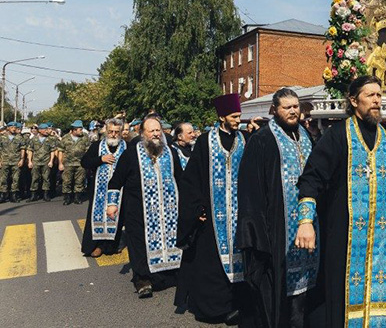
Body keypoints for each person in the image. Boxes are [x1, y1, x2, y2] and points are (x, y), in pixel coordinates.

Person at [295, 76, 386, 328]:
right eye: (370, 95)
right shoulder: (338, 135)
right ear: (353, 100)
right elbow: (312, 178)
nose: (377, 100)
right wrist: (306, 220)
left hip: (385, 236)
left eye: (379, 95)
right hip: (347, 235)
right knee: (341, 296)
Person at [237, 87, 320, 327]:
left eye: (296, 107)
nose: (294, 111)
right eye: (288, 107)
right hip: (276, 226)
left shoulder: (305, 135)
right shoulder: (262, 140)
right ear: (275, 110)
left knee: (306, 287)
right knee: (278, 285)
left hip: (307, 223)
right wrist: (256, 230)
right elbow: (250, 188)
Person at [175, 94, 255, 325]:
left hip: (239, 214)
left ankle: (238, 306)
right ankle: (214, 309)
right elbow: (192, 179)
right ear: (221, 117)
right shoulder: (205, 142)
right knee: (211, 264)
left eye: (239, 116)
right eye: (233, 116)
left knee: (241, 259)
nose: (238, 120)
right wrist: (197, 207)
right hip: (212, 214)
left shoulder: (245, 139)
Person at [106, 116, 182, 298]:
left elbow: (181, 179)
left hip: (167, 211)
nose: (156, 134)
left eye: (158, 130)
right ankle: (142, 280)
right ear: (143, 134)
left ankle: (167, 276)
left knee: (168, 241)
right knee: (139, 245)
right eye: (152, 131)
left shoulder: (170, 152)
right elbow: (116, 181)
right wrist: (112, 204)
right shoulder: (131, 154)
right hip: (138, 210)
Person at [81, 118, 126, 257]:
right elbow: (85, 162)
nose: (113, 134)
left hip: (120, 190)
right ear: (106, 131)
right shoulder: (97, 146)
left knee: (116, 217)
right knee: (97, 217)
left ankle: (110, 246)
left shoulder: (127, 146)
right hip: (99, 190)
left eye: (116, 132)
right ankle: (96, 246)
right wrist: (101, 159)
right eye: (111, 131)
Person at [57, 120, 90, 205]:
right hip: (68, 163)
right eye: (80, 129)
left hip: (81, 163)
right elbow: (61, 151)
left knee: (80, 181)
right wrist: (60, 163)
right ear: (74, 130)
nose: (81, 131)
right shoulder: (65, 138)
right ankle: (67, 198)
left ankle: (77, 197)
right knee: (66, 181)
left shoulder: (85, 137)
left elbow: (88, 150)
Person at [26, 122, 57, 202]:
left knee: (46, 178)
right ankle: (33, 195)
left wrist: (51, 161)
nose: (47, 131)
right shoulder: (33, 139)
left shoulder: (50, 139)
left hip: (46, 161)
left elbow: (52, 151)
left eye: (47, 129)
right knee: (34, 178)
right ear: (40, 130)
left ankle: (45, 195)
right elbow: (30, 150)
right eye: (45, 129)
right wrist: (29, 161)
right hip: (35, 161)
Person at [0, 122, 28, 203]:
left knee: (16, 178)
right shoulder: (2, 137)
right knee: (3, 179)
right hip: (4, 160)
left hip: (16, 160)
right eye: (12, 127)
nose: (13, 129)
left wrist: (22, 159)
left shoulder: (19, 138)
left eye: (15, 127)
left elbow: (23, 148)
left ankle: (14, 195)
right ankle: (3, 195)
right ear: (8, 128)